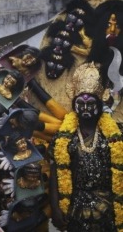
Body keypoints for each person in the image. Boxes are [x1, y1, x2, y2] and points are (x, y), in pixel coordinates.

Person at [50, 62, 123, 231]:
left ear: (99, 105)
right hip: (75, 207)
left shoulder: (115, 134)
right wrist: (55, 208)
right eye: (80, 103)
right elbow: (55, 172)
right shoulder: (64, 136)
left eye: (90, 103)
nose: (85, 108)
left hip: (109, 209)